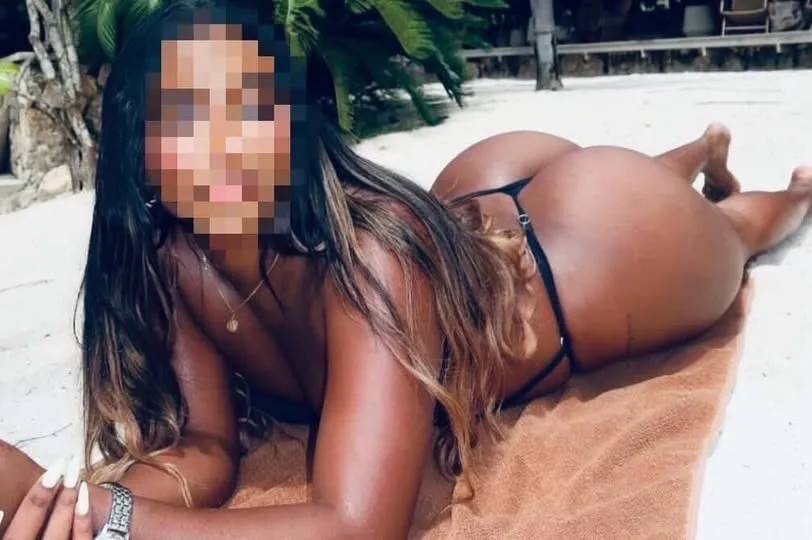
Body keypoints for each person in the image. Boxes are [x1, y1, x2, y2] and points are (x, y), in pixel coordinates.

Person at [2, 0, 811, 538]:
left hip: (586, 260)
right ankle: (691, 151)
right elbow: (207, 446)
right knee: (624, 178)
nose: (224, 144)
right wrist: (68, 501)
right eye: (187, 118)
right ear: (141, 153)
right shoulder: (174, 258)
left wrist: (114, 522)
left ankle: (775, 185)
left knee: (735, 232)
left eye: (247, 107)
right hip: (470, 202)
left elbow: (356, 526)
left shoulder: (368, 254)